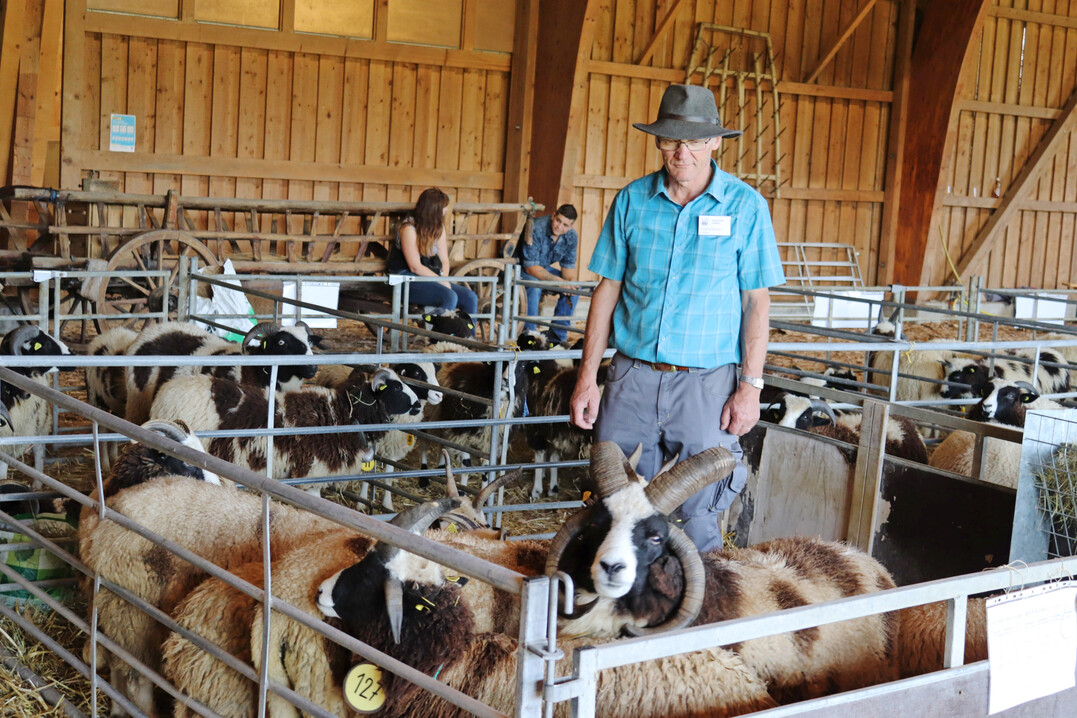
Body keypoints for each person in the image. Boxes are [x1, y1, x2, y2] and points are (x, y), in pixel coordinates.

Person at [569, 84, 786, 552]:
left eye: (692, 140)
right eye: (670, 140)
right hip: (632, 378)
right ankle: (622, 619)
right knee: (616, 508)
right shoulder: (632, 201)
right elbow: (606, 290)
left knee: (699, 514)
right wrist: (588, 377)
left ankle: (697, 619)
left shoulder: (746, 207)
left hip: (707, 385)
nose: (681, 152)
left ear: (715, 142)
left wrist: (750, 387)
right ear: (658, 142)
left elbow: (756, 303)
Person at [386, 187, 478, 316]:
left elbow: (444, 260)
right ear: (433, 210)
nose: (446, 210)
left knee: (470, 297)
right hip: (405, 278)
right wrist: (440, 281)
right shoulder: (408, 229)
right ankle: (440, 335)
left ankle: (467, 336)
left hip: (429, 276)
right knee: (449, 297)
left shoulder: (438, 228)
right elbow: (415, 267)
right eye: (443, 207)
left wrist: (444, 279)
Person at [520, 204, 579, 343]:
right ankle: (530, 336)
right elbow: (530, 267)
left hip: (543, 269)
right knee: (534, 286)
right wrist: (558, 281)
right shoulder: (537, 227)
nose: (560, 227)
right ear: (553, 216)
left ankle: (557, 338)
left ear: (570, 227)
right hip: (521, 268)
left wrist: (569, 284)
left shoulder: (571, 237)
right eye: (558, 220)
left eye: (565, 225)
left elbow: (568, 269)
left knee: (575, 289)